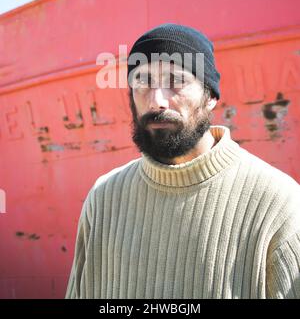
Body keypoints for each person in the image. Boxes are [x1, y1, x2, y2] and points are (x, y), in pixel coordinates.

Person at [66, 23, 300, 299]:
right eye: (142, 82)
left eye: (176, 81)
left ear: (210, 96)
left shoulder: (278, 205)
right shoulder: (103, 199)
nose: (156, 101)